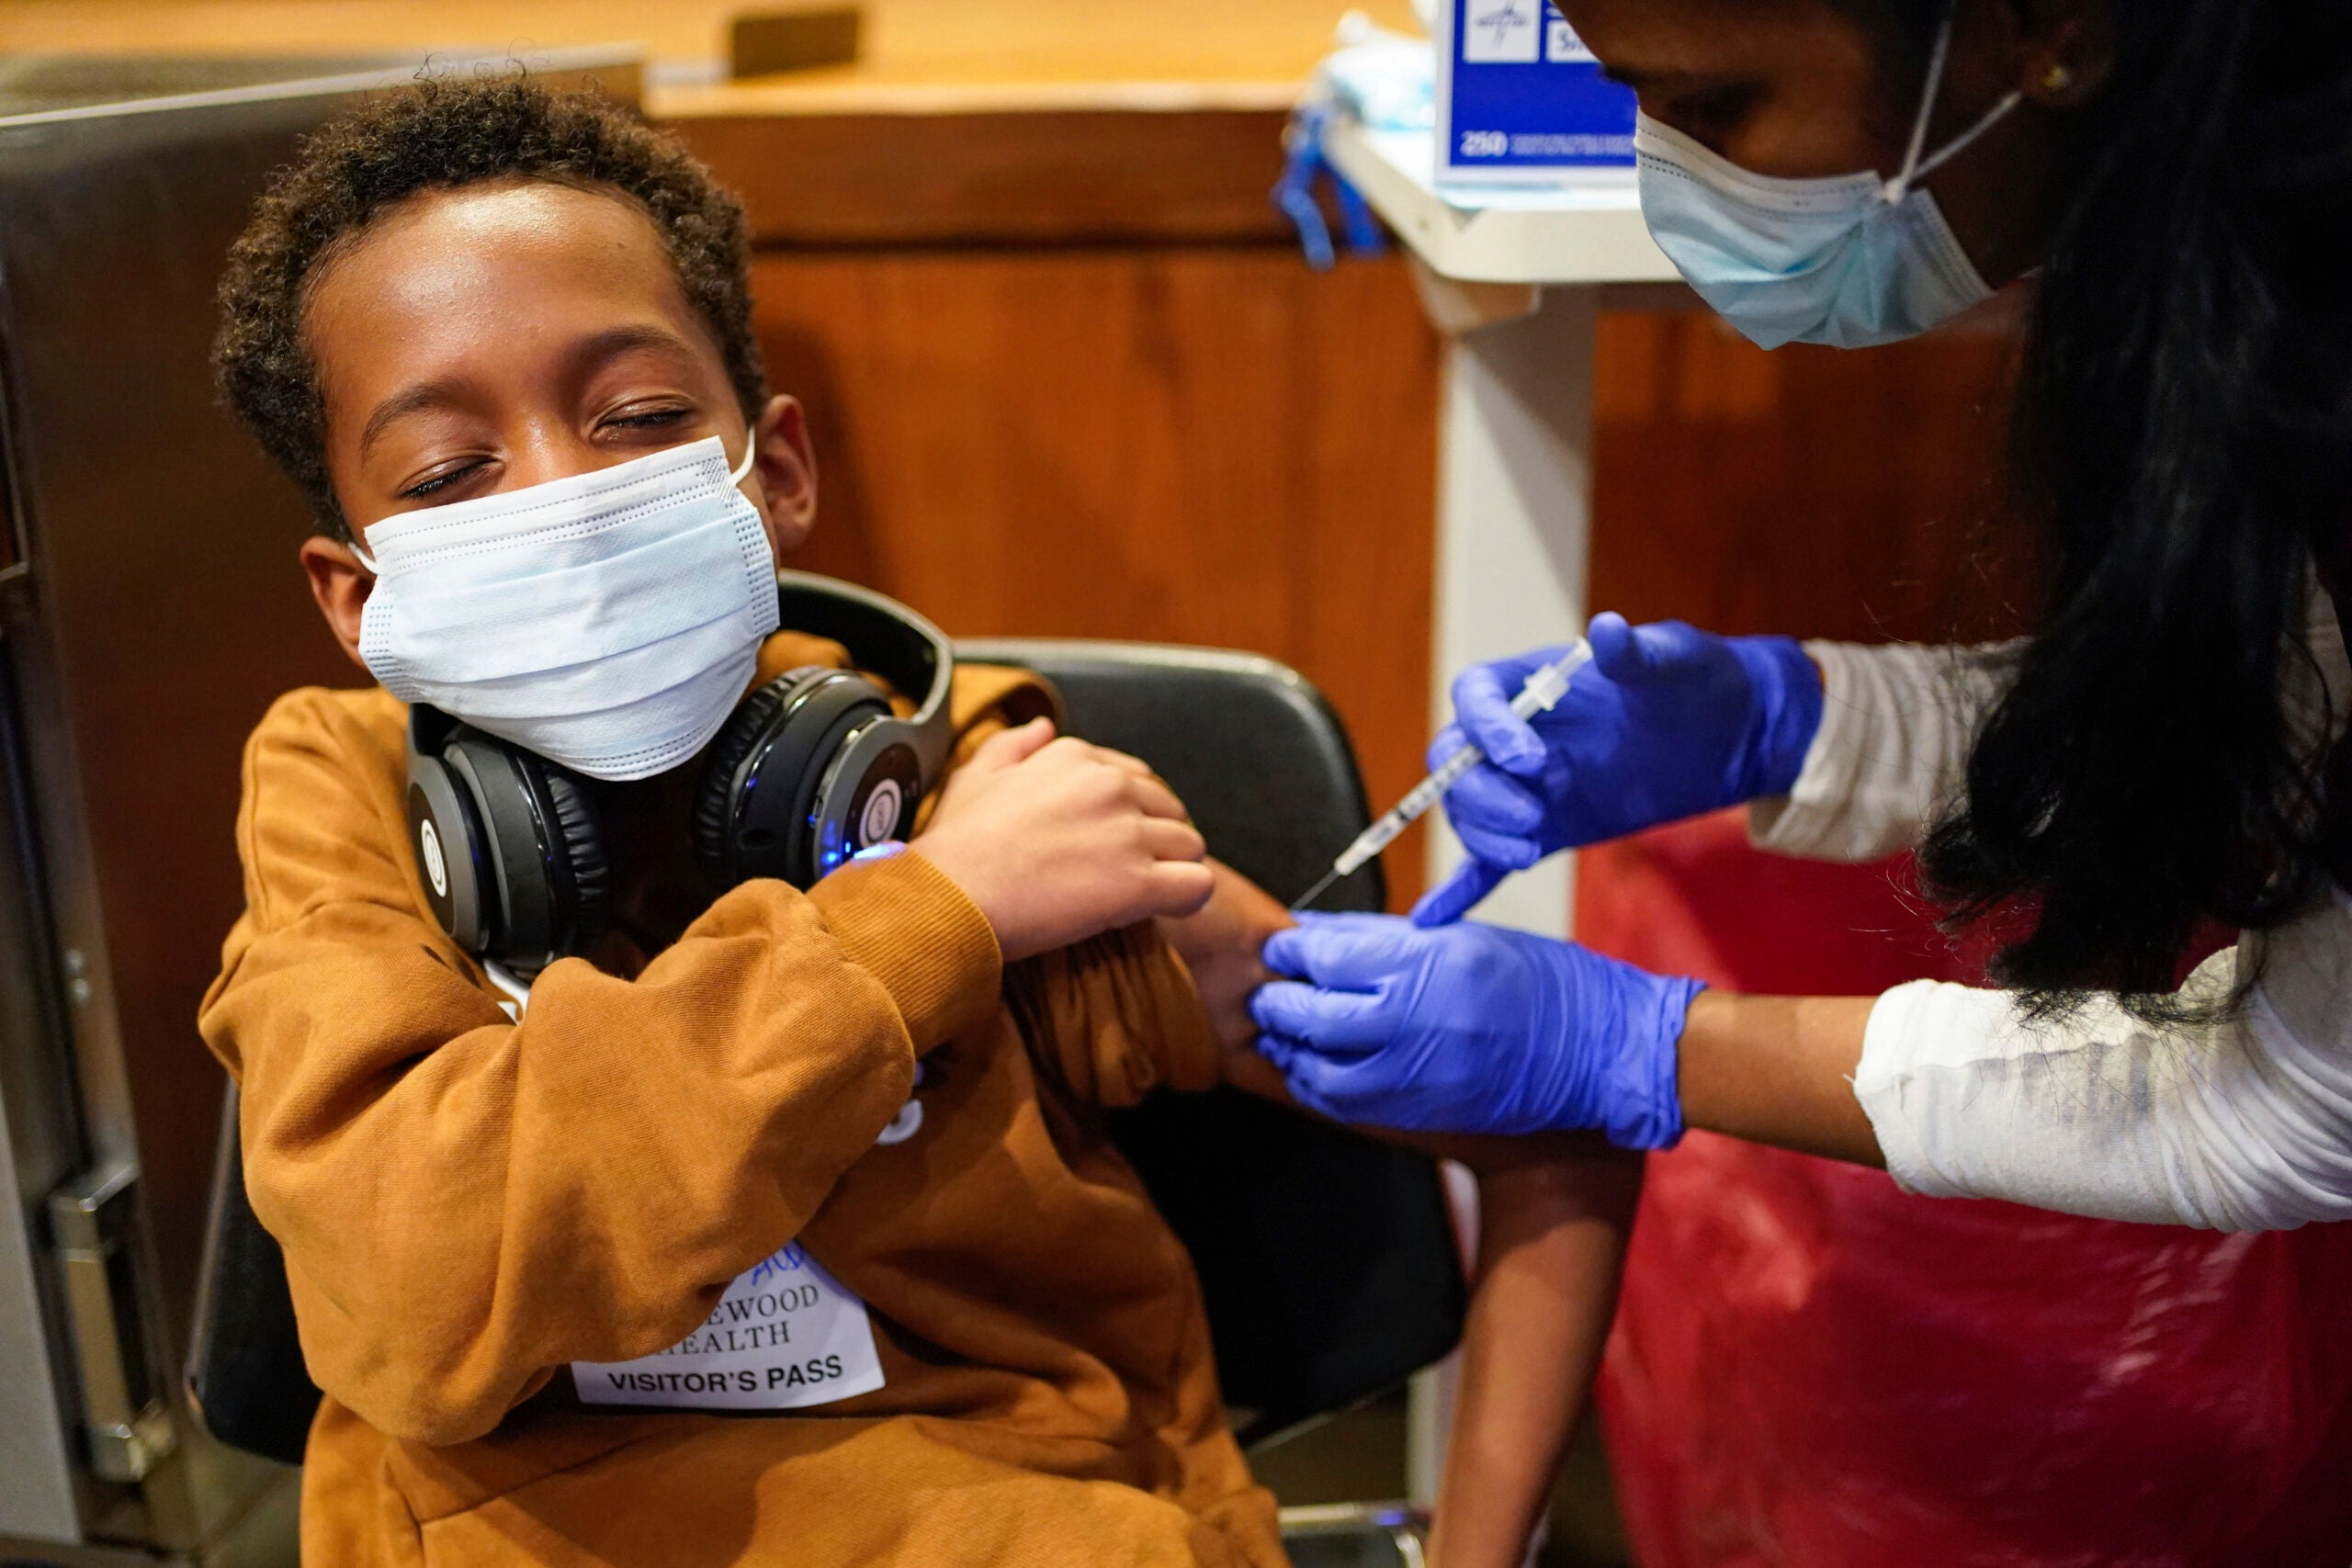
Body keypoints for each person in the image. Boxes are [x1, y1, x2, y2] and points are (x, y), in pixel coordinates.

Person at [199, 77, 1628, 1568]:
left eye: (641, 417)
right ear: (355, 599)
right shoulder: (343, 795)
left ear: (778, 474)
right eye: (449, 472)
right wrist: (928, 918)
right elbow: (422, 1286)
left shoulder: (980, 789)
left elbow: (1552, 1125)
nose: (564, 498)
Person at [1254, 0, 2352, 1232]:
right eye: (1633, 104)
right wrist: (1786, 721)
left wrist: (1634, 1044)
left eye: (1714, 106)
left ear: (2049, 31)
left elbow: (2311, 1103)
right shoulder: (2238, 264)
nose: (1671, 186)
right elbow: (2290, 701)